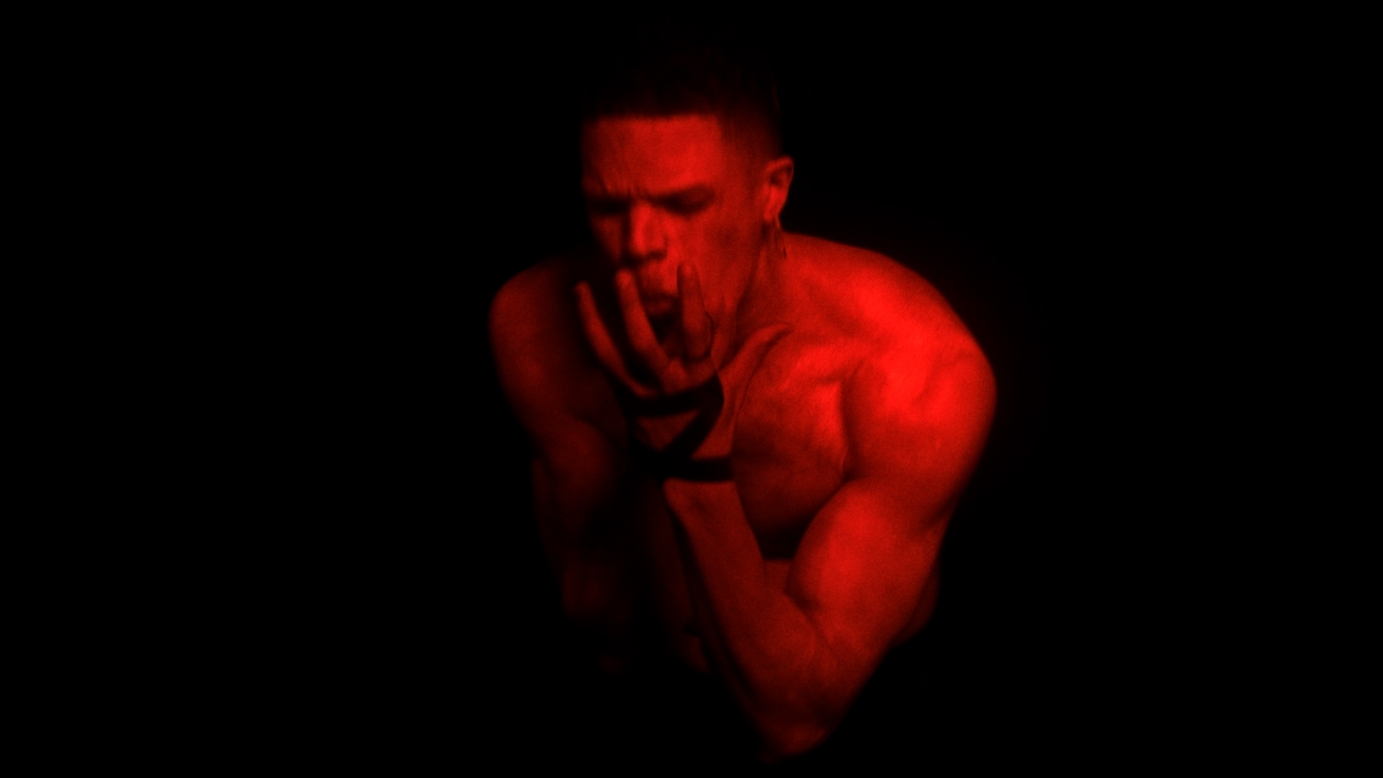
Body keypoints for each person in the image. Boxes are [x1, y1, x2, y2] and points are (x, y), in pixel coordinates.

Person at [488, 29, 995, 763]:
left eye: (684, 203)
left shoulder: (912, 369)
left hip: (866, 726)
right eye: (607, 205)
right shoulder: (534, 326)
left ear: (771, 192)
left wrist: (692, 466)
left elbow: (795, 717)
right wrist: (664, 453)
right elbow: (609, 632)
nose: (639, 242)